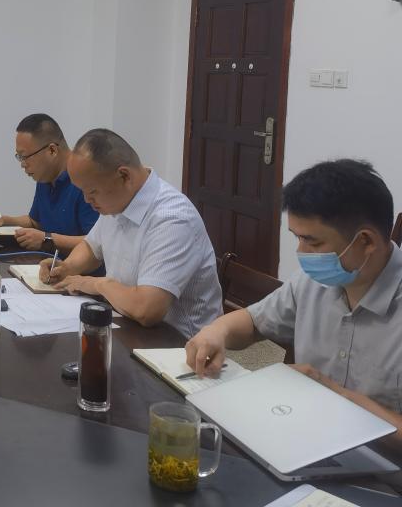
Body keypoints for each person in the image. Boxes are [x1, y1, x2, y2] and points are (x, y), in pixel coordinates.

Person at [186, 159, 402, 442]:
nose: (302, 252)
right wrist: (217, 331)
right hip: (301, 435)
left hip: (378, 465)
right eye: (297, 238)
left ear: (366, 241)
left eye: (313, 242)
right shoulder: (313, 282)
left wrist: (333, 394)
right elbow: (253, 321)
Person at [38, 128, 223, 338]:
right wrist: (67, 267)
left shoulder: (172, 219)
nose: (87, 200)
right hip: (128, 325)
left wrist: (97, 284)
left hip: (180, 345)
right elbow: (92, 246)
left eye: (92, 192)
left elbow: (147, 310)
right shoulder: (116, 201)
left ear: (124, 176)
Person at [0, 114, 99, 264]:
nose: (22, 164)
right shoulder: (46, 176)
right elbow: (35, 222)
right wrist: (5, 220)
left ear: (52, 150)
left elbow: (97, 242)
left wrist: (47, 239)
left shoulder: (85, 179)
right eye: (19, 157)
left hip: (80, 273)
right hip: (46, 266)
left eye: (25, 157)